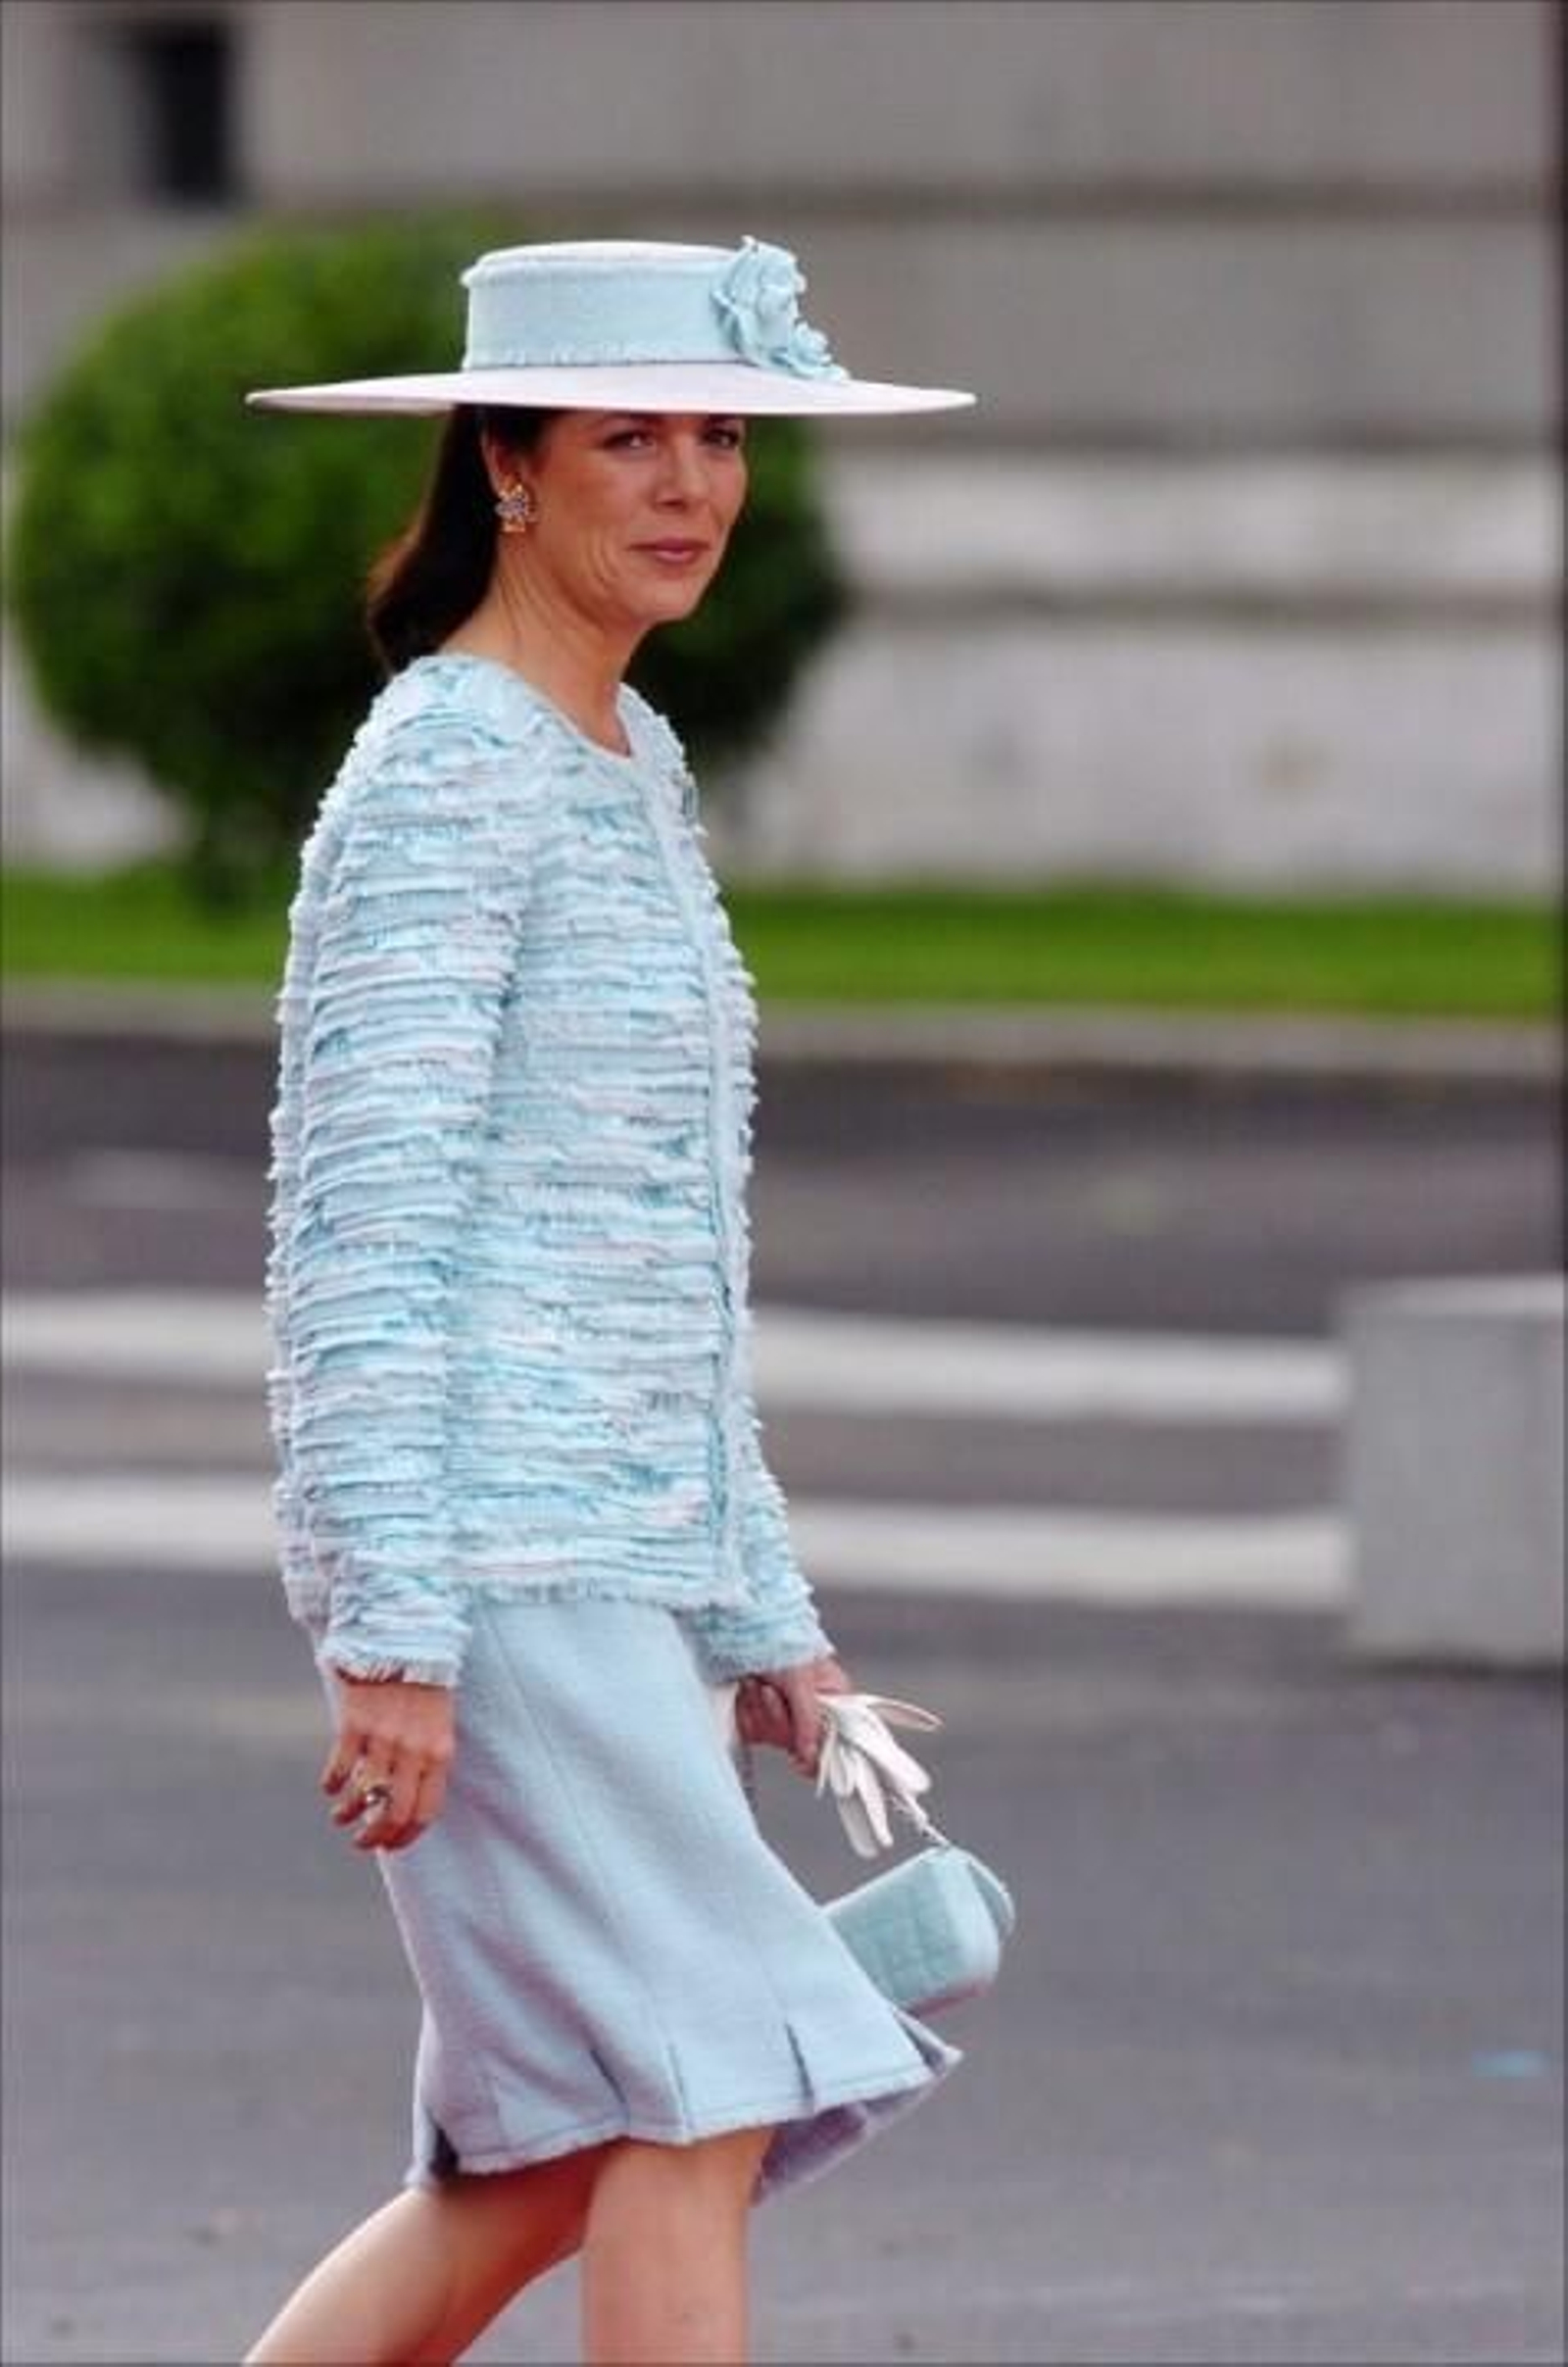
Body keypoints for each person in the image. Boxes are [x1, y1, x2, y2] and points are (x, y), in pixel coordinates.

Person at [241, 236, 975, 2366]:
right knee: (699, 2076)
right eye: (627, 433)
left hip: (621, 1574)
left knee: (544, 2156)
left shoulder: (624, 761)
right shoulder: (447, 767)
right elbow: (364, 1229)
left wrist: (765, 1618)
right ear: (506, 466)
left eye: (720, 430)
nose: (687, 482)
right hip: (490, 1569)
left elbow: (661, 1260)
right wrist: (387, 1624)